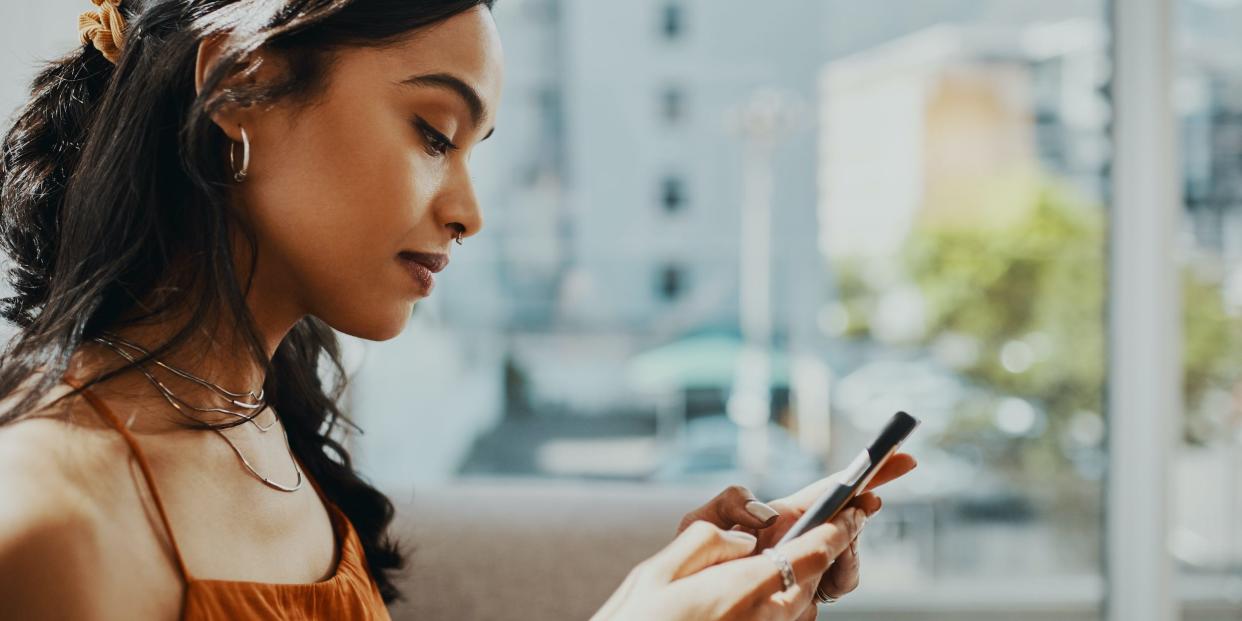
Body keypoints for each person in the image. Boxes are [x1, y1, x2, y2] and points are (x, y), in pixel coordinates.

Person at [0, 1, 917, 619]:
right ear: (237, 90)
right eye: (434, 133)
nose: (469, 212)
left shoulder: (263, 426)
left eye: (475, 148)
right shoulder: (52, 518)